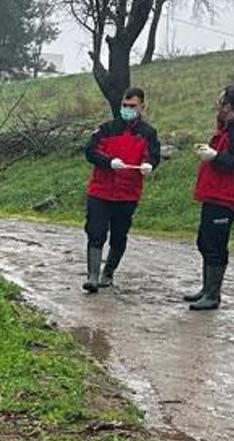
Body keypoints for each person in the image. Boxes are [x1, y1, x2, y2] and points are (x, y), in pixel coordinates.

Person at [183, 85, 234, 311]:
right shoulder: (229, 128)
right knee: (205, 241)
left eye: (220, 102)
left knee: (215, 244)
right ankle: (207, 288)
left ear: (228, 106)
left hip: (228, 197)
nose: (217, 106)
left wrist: (215, 157)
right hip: (215, 194)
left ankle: (213, 295)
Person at [82, 87, 161, 292]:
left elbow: (154, 155)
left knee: (119, 235)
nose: (127, 109)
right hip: (101, 191)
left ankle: (108, 273)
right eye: (124, 106)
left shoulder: (148, 133)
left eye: (132, 106)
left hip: (127, 193)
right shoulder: (106, 128)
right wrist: (108, 161)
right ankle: (92, 276)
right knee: (95, 232)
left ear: (142, 106)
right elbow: (90, 151)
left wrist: (149, 165)